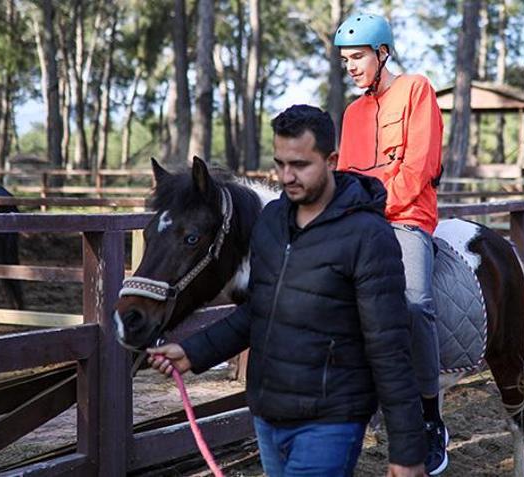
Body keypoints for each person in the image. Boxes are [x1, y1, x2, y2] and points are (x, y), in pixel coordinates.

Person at [147, 105, 426, 477]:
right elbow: (259, 308)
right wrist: (193, 351)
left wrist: (407, 449)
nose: (286, 176)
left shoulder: (368, 236)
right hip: (267, 416)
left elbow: (388, 344)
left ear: (331, 160)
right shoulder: (273, 222)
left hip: (330, 421)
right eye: (279, 164)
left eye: (300, 165)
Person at [334, 12, 448, 475]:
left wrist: (371, 213)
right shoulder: (352, 113)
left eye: (358, 57)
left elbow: (418, 168)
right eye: (345, 60)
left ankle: (430, 418)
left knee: (416, 303)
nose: (351, 67)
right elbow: (344, 177)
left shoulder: (417, 90)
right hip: (359, 225)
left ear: (383, 53)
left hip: (406, 220)